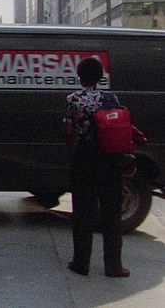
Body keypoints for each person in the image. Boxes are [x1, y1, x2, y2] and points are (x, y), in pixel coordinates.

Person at [63, 56, 129, 278]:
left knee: (83, 212)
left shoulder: (74, 99)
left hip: (84, 160)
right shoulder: (112, 98)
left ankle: (81, 263)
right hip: (110, 160)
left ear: (80, 77)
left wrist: (71, 156)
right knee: (111, 213)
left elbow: (69, 132)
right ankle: (114, 266)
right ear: (101, 76)